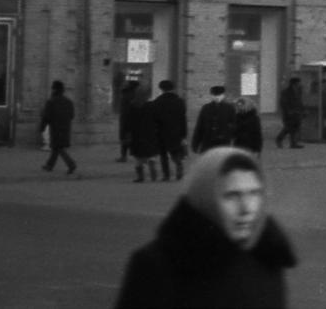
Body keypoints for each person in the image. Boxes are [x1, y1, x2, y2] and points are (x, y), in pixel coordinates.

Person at [113, 146, 297, 308]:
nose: (247, 208)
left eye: (254, 193)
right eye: (232, 196)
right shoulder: (158, 267)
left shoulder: (268, 259)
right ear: (205, 197)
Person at [39, 79, 77, 176]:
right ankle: (49, 165)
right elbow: (72, 115)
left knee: (59, 148)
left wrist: (42, 128)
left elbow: (46, 117)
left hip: (55, 129)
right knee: (56, 148)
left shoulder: (51, 102)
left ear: (54, 90)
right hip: (66, 128)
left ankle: (71, 164)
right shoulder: (69, 102)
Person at [154, 80, 189, 181]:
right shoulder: (179, 101)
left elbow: (155, 118)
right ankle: (179, 167)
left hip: (161, 131)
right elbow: (183, 118)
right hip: (176, 131)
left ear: (161, 89)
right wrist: (184, 134)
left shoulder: (157, 102)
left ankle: (166, 175)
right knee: (176, 151)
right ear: (172, 88)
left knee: (163, 155)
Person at [129, 83, 161, 183]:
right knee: (151, 155)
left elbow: (127, 121)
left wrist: (126, 133)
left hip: (136, 134)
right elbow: (157, 119)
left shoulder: (132, 105)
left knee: (138, 157)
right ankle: (153, 174)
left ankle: (140, 177)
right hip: (150, 132)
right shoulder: (152, 105)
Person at [192, 86, 237, 154]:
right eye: (215, 95)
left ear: (223, 95)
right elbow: (200, 126)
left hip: (223, 142)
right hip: (208, 141)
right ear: (211, 96)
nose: (217, 97)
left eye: (219, 95)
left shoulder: (230, 108)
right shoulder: (206, 108)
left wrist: (228, 134)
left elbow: (235, 124)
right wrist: (195, 144)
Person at [275, 77, 305, 150]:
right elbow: (283, 102)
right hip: (289, 113)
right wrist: (288, 111)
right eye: (298, 82)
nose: (300, 84)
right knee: (288, 128)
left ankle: (293, 143)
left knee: (295, 128)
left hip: (296, 112)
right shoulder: (286, 92)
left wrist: (303, 110)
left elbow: (300, 102)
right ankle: (279, 139)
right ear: (294, 83)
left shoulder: (298, 91)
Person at [116, 79, 139, 162]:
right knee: (133, 139)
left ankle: (124, 156)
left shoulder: (126, 94)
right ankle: (137, 156)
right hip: (134, 120)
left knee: (125, 139)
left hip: (127, 120)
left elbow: (126, 110)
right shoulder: (136, 95)